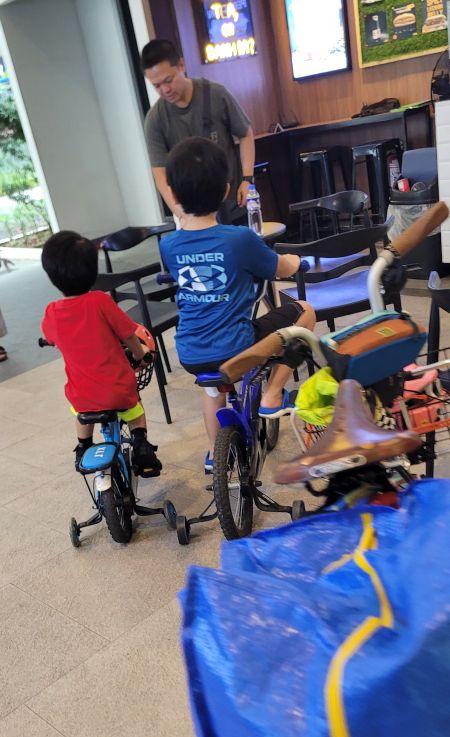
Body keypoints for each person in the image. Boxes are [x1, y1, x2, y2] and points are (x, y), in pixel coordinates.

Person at [160, 137, 316, 472]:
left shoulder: (168, 245)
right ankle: (274, 393)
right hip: (237, 345)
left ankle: (214, 453)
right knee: (304, 311)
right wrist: (295, 260)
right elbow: (279, 267)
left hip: (190, 352)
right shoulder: (241, 239)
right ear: (226, 190)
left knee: (212, 389)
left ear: (171, 193)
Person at [40, 231, 162, 476]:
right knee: (135, 409)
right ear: (93, 272)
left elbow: (51, 338)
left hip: (82, 394)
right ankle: (141, 446)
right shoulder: (101, 302)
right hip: (117, 389)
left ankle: (83, 446)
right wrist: (141, 355)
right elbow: (128, 335)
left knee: (81, 415)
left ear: (52, 277)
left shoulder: (52, 311)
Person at [141, 39, 255, 225]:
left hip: (233, 202)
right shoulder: (155, 119)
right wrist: (180, 213)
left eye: (169, 80)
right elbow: (159, 171)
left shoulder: (216, 94)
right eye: (157, 86)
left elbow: (245, 133)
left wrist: (247, 179)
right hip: (194, 216)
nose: (165, 90)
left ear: (181, 65)